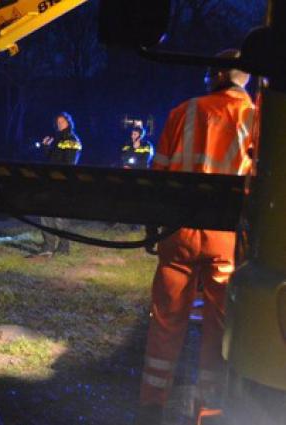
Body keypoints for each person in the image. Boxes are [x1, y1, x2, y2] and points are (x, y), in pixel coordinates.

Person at [136, 50, 255, 424]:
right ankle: (211, 409)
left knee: (167, 318)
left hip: (179, 232)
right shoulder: (255, 117)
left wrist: (152, 225)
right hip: (227, 237)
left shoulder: (182, 112)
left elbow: (158, 176)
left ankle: (152, 406)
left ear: (216, 74)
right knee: (220, 324)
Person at [36, 112, 82, 256]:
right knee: (45, 213)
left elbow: (69, 163)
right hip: (50, 181)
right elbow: (50, 159)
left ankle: (63, 248)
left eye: (62, 121)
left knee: (60, 217)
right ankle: (48, 246)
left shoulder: (72, 139)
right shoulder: (56, 139)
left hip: (63, 183)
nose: (59, 124)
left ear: (69, 122)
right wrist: (45, 147)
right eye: (58, 122)